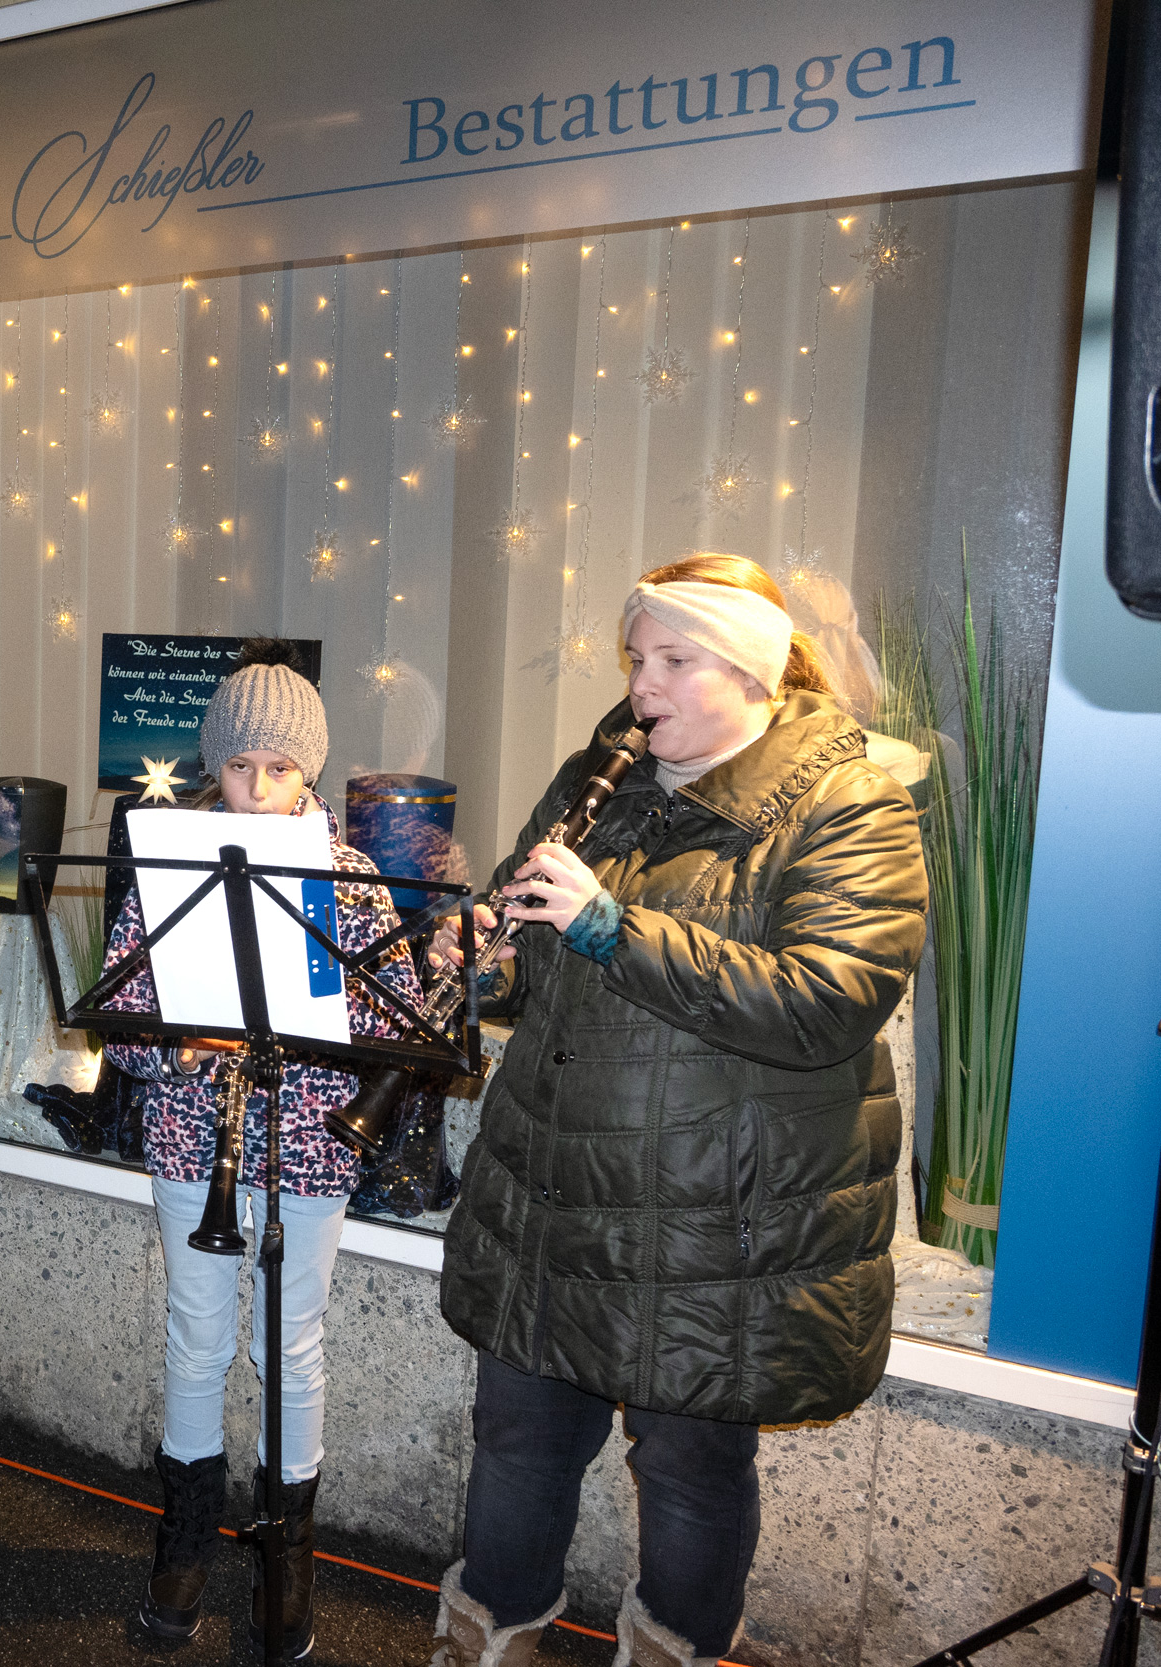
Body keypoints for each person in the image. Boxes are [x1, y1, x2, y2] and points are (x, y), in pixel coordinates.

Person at [430, 554, 926, 1667]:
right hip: (554, 1191)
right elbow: (535, 964)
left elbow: (827, 1003)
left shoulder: (849, 804)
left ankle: (674, 1647)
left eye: (671, 659)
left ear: (750, 672)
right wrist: (476, 957)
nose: (639, 685)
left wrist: (612, 925)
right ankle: (487, 1632)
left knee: (689, 1463)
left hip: (711, 1219)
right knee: (516, 1436)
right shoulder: (597, 778)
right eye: (634, 658)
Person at [99, 642, 423, 1657]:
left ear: (309, 773)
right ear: (216, 767)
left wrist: (343, 1026)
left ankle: (287, 1558)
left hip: (310, 1145)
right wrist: (169, 1044)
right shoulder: (173, 861)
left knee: (289, 1347)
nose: (258, 785)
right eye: (240, 764)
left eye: (280, 766)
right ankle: (185, 1541)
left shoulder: (350, 874)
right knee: (195, 1338)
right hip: (196, 1135)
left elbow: (399, 1022)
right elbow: (119, 1016)